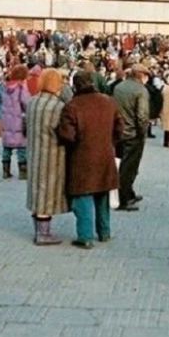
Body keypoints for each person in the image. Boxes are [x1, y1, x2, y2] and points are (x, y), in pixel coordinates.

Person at [58, 71, 125, 249]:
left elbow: (67, 135)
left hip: (81, 157)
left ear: (75, 85)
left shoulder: (72, 106)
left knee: (83, 195)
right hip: (105, 154)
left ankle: (85, 236)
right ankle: (104, 232)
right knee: (102, 193)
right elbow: (120, 126)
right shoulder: (108, 101)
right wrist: (110, 141)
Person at [25, 69, 67, 245]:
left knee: (36, 189)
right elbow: (63, 132)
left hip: (34, 151)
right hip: (52, 154)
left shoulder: (32, 102)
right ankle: (43, 234)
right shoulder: (58, 106)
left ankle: (37, 230)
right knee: (46, 192)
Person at [112, 63, 150, 211]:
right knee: (129, 167)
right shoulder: (141, 90)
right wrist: (142, 132)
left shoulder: (119, 87)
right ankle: (124, 199)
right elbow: (142, 115)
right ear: (140, 75)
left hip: (119, 131)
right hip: (133, 134)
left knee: (123, 164)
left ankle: (129, 193)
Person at [1, 64, 32, 179]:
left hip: (7, 121)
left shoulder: (5, 88)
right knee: (22, 148)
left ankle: (5, 170)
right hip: (18, 121)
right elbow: (27, 103)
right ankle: (23, 172)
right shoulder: (21, 88)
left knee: (7, 147)